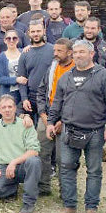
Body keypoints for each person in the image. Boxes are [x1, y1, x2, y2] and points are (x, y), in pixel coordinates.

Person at [47, 40, 106, 213]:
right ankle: (69, 205)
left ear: (91, 53)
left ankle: (91, 207)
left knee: (94, 170)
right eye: (76, 52)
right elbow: (57, 102)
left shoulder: (104, 76)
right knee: (66, 168)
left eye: (82, 52)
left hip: (94, 131)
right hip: (69, 130)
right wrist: (50, 122)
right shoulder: (66, 76)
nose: (78, 55)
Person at [0, 94, 42, 213]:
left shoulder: (26, 124)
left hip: (22, 166)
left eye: (10, 106)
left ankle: (28, 202)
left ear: (15, 108)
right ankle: (11, 188)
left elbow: (34, 150)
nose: (7, 110)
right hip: (3, 167)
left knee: (34, 161)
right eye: (3, 107)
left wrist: (14, 162)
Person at [35, 38, 75, 197]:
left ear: (70, 52)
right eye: (54, 51)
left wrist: (61, 121)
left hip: (67, 119)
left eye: (60, 51)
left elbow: (76, 100)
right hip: (47, 115)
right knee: (41, 152)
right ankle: (43, 186)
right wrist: (44, 116)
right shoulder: (52, 68)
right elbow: (41, 91)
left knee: (63, 157)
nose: (55, 54)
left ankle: (65, 191)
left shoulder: (75, 70)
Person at [17, 20, 54, 118]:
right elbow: (22, 79)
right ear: (29, 33)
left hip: (49, 97)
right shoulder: (25, 53)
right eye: (33, 32)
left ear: (44, 31)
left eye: (38, 31)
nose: (36, 34)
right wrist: (24, 99)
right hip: (32, 97)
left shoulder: (53, 50)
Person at [0, 29, 22, 104]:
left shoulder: (24, 53)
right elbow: (0, 79)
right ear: (5, 40)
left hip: (23, 93)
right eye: (8, 38)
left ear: (18, 40)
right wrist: (16, 80)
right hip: (8, 93)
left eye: (14, 38)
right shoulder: (0, 57)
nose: (11, 40)